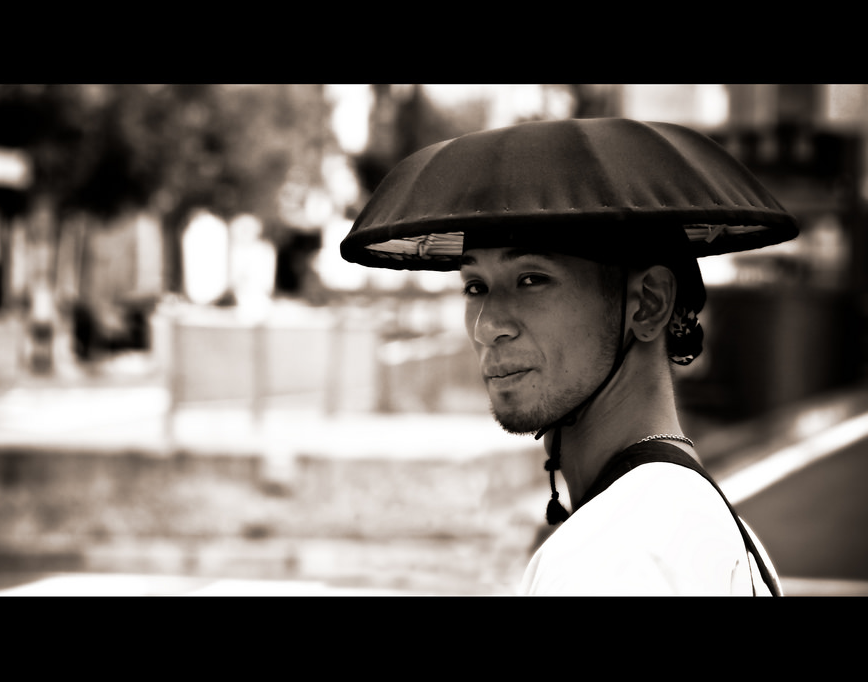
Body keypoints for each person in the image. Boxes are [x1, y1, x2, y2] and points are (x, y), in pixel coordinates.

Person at [340, 117, 796, 595]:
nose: (487, 326)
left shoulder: (610, 557)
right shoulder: (722, 531)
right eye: (475, 287)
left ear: (649, 303)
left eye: (531, 279)